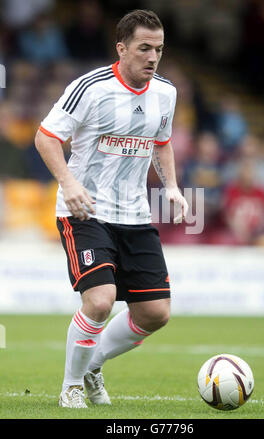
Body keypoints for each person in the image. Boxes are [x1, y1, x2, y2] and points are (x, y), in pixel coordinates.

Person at [34, 9, 188, 409]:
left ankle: (92, 364)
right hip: (87, 211)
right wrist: (69, 185)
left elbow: (162, 141)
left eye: (159, 49)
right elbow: (46, 137)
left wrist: (171, 185)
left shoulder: (166, 93)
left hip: (135, 215)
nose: (153, 57)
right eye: (144, 48)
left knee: (156, 313)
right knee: (100, 300)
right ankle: (70, 385)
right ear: (122, 48)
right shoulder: (90, 87)